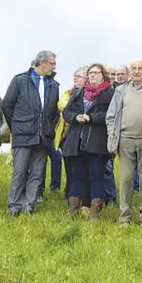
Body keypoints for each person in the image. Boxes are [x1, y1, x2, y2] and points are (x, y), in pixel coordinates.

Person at [2, 50, 60, 217]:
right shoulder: (20, 80)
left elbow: (55, 111)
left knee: (37, 172)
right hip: (23, 134)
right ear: (42, 63)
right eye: (52, 63)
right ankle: (14, 205)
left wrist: (49, 127)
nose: (54, 67)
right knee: (20, 171)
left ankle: (29, 204)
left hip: (44, 136)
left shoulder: (53, 85)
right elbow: (7, 105)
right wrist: (18, 126)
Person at [106, 59, 142, 226]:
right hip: (126, 139)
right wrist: (113, 135)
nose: (137, 71)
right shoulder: (120, 91)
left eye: (140, 68)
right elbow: (110, 116)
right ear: (129, 71)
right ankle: (125, 217)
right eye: (134, 68)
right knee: (126, 179)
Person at [62, 63, 115, 219]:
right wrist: (75, 117)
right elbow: (67, 111)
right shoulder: (79, 92)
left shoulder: (110, 93)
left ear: (103, 75)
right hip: (77, 142)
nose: (92, 75)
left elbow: (111, 114)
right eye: (90, 73)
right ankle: (73, 211)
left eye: (96, 73)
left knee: (96, 176)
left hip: (97, 142)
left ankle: (95, 214)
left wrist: (92, 117)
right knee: (77, 176)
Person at [57, 68, 88, 199]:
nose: (75, 78)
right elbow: (61, 106)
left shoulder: (89, 94)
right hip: (66, 135)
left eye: (79, 76)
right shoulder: (69, 93)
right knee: (69, 167)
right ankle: (70, 194)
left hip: (82, 136)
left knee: (81, 169)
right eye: (75, 76)